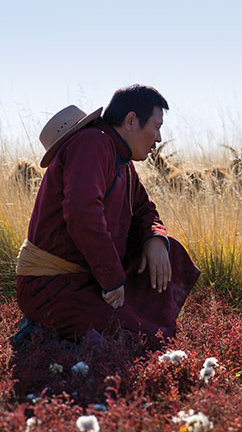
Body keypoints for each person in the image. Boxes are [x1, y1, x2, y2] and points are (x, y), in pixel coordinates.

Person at [14, 85, 200, 348]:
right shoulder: (91, 143)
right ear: (131, 120)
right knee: (134, 339)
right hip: (51, 286)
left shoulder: (121, 159)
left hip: (87, 278)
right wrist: (112, 281)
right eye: (156, 127)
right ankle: (40, 339)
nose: (158, 138)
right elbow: (83, 215)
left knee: (172, 253)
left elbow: (145, 210)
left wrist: (155, 240)